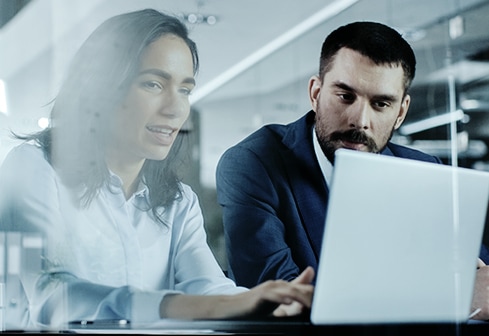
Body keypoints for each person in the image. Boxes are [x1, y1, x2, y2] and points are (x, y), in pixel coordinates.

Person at [0, 9, 314, 329]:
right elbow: (53, 296)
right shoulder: (31, 168)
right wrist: (198, 304)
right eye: (153, 84)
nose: (176, 108)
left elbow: (207, 287)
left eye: (185, 90)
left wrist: (269, 305)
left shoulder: (179, 201)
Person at [215, 21, 489, 320]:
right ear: (315, 92)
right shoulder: (253, 164)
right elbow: (279, 300)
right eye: (345, 96)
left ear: (400, 112)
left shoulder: (424, 171)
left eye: (381, 103)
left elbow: (481, 278)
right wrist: (449, 295)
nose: (360, 120)